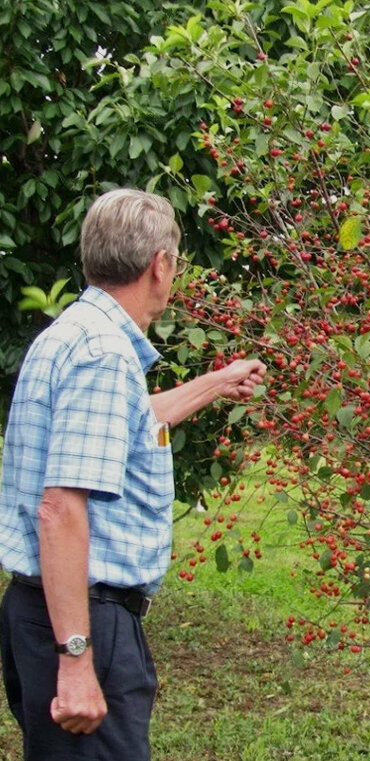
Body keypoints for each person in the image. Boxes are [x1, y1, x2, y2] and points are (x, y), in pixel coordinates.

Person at [0, 188, 266, 760]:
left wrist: (216, 382)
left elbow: (121, 425)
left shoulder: (72, 334)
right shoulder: (103, 353)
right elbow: (60, 507)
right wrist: (76, 658)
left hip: (43, 613)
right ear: (160, 265)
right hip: (80, 620)